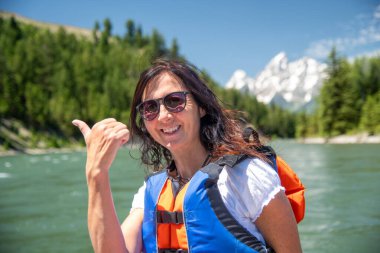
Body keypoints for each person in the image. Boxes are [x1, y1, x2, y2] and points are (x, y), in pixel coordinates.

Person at [72, 59, 302, 253]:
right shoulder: (151, 192)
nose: (163, 116)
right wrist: (96, 174)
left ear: (201, 106)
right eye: (150, 108)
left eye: (175, 101)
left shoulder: (246, 176)